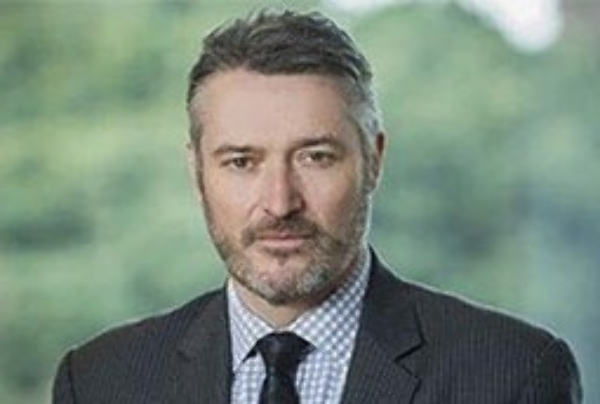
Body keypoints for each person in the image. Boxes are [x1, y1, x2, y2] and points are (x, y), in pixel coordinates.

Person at [52, 9, 582, 404]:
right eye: (241, 162)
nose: (280, 203)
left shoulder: (514, 375)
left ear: (373, 161)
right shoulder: (100, 381)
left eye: (316, 157)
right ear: (197, 173)